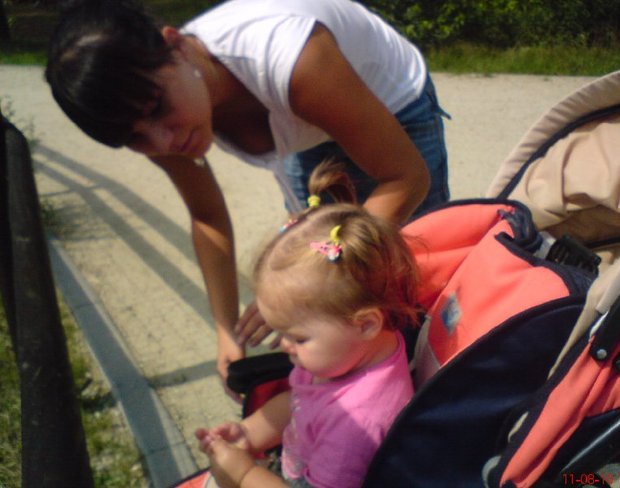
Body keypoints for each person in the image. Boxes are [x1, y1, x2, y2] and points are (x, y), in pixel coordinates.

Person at [45, 0, 449, 388]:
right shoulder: (149, 114)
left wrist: (312, 274)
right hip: (301, 121)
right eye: (133, 138)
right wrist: (227, 332)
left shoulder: (291, 57)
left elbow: (405, 176)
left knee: (408, 283)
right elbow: (207, 216)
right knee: (330, 293)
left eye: (157, 109)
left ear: (176, 45)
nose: (162, 142)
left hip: (387, 100)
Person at [195, 161, 418, 488]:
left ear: (365, 324)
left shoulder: (357, 423)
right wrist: (248, 433)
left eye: (298, 337)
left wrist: (243, 475)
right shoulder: (346, 354)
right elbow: (300, 400)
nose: (285, 346)